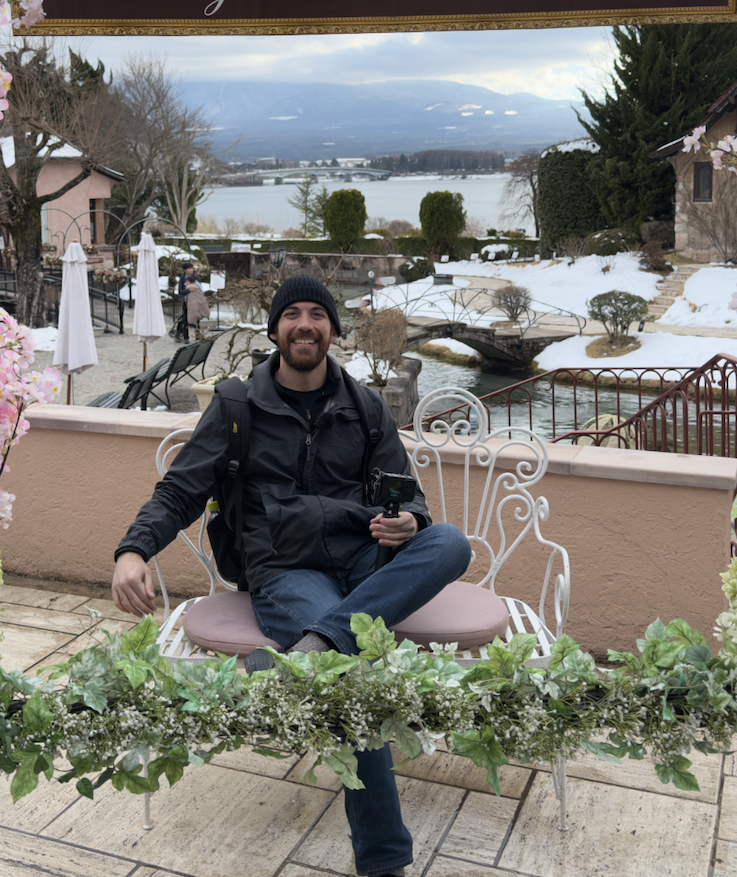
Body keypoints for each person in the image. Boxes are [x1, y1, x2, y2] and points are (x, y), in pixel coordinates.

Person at [113, 276, 471, 877]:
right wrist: (133, 550)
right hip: (284, 569)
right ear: (275, 329)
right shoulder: (235, 406)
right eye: (293, 315)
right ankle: (385, 864)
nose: (305, 325)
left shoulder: (365, 406)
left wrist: (410, 521)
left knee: (450, 542)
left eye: (317, 315)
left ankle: (313, 647)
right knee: (354, 678)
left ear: (332, 330)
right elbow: (180, 490)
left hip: (364, 562)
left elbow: (410, 500)